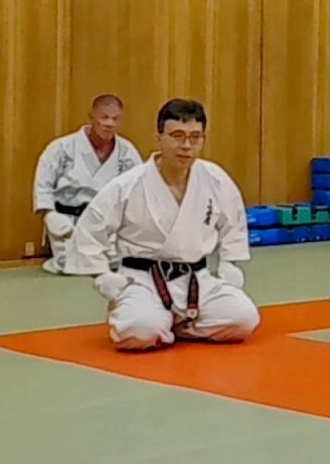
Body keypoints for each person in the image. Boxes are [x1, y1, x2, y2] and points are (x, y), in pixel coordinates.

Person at [72, 99, 258, 351]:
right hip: (143, 279)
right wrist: (102, 275)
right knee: (139, 332)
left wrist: (229, 262)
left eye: (195, 137)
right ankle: (151, 318)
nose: (186, 146)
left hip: (196, 279)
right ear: (159, 137)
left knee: (243, 319)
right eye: (177, 136)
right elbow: (89, 230)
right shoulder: (129, 184)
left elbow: (233, 223)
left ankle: (178, 325)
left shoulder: (214, 178)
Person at [32, 94, 144, 275]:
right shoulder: (61, 148)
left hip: (107, 222)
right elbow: (43, 185)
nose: (109, 124)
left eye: (115, 119)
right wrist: (49, 214)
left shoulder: (126, 151)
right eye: (104, 117)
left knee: (114, 262)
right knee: (70, 264)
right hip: (68, 221)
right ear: (91, 117)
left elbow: (138, 190)